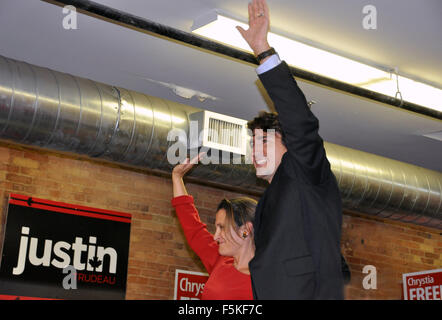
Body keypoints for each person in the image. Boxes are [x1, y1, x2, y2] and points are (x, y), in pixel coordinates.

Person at [236, 0, 344, 299]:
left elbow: (300, 122)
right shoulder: (271, 196)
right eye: (253, 142)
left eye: (265, 140)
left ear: (289, 145)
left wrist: (263, 51)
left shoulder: (304, 169)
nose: (255, 150)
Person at [171, 155, 257, 299]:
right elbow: (194, 229)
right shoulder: (221, 261)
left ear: (245, 231)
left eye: (222, 228)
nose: (216, 236)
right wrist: (177, 177)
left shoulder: (268, 279)